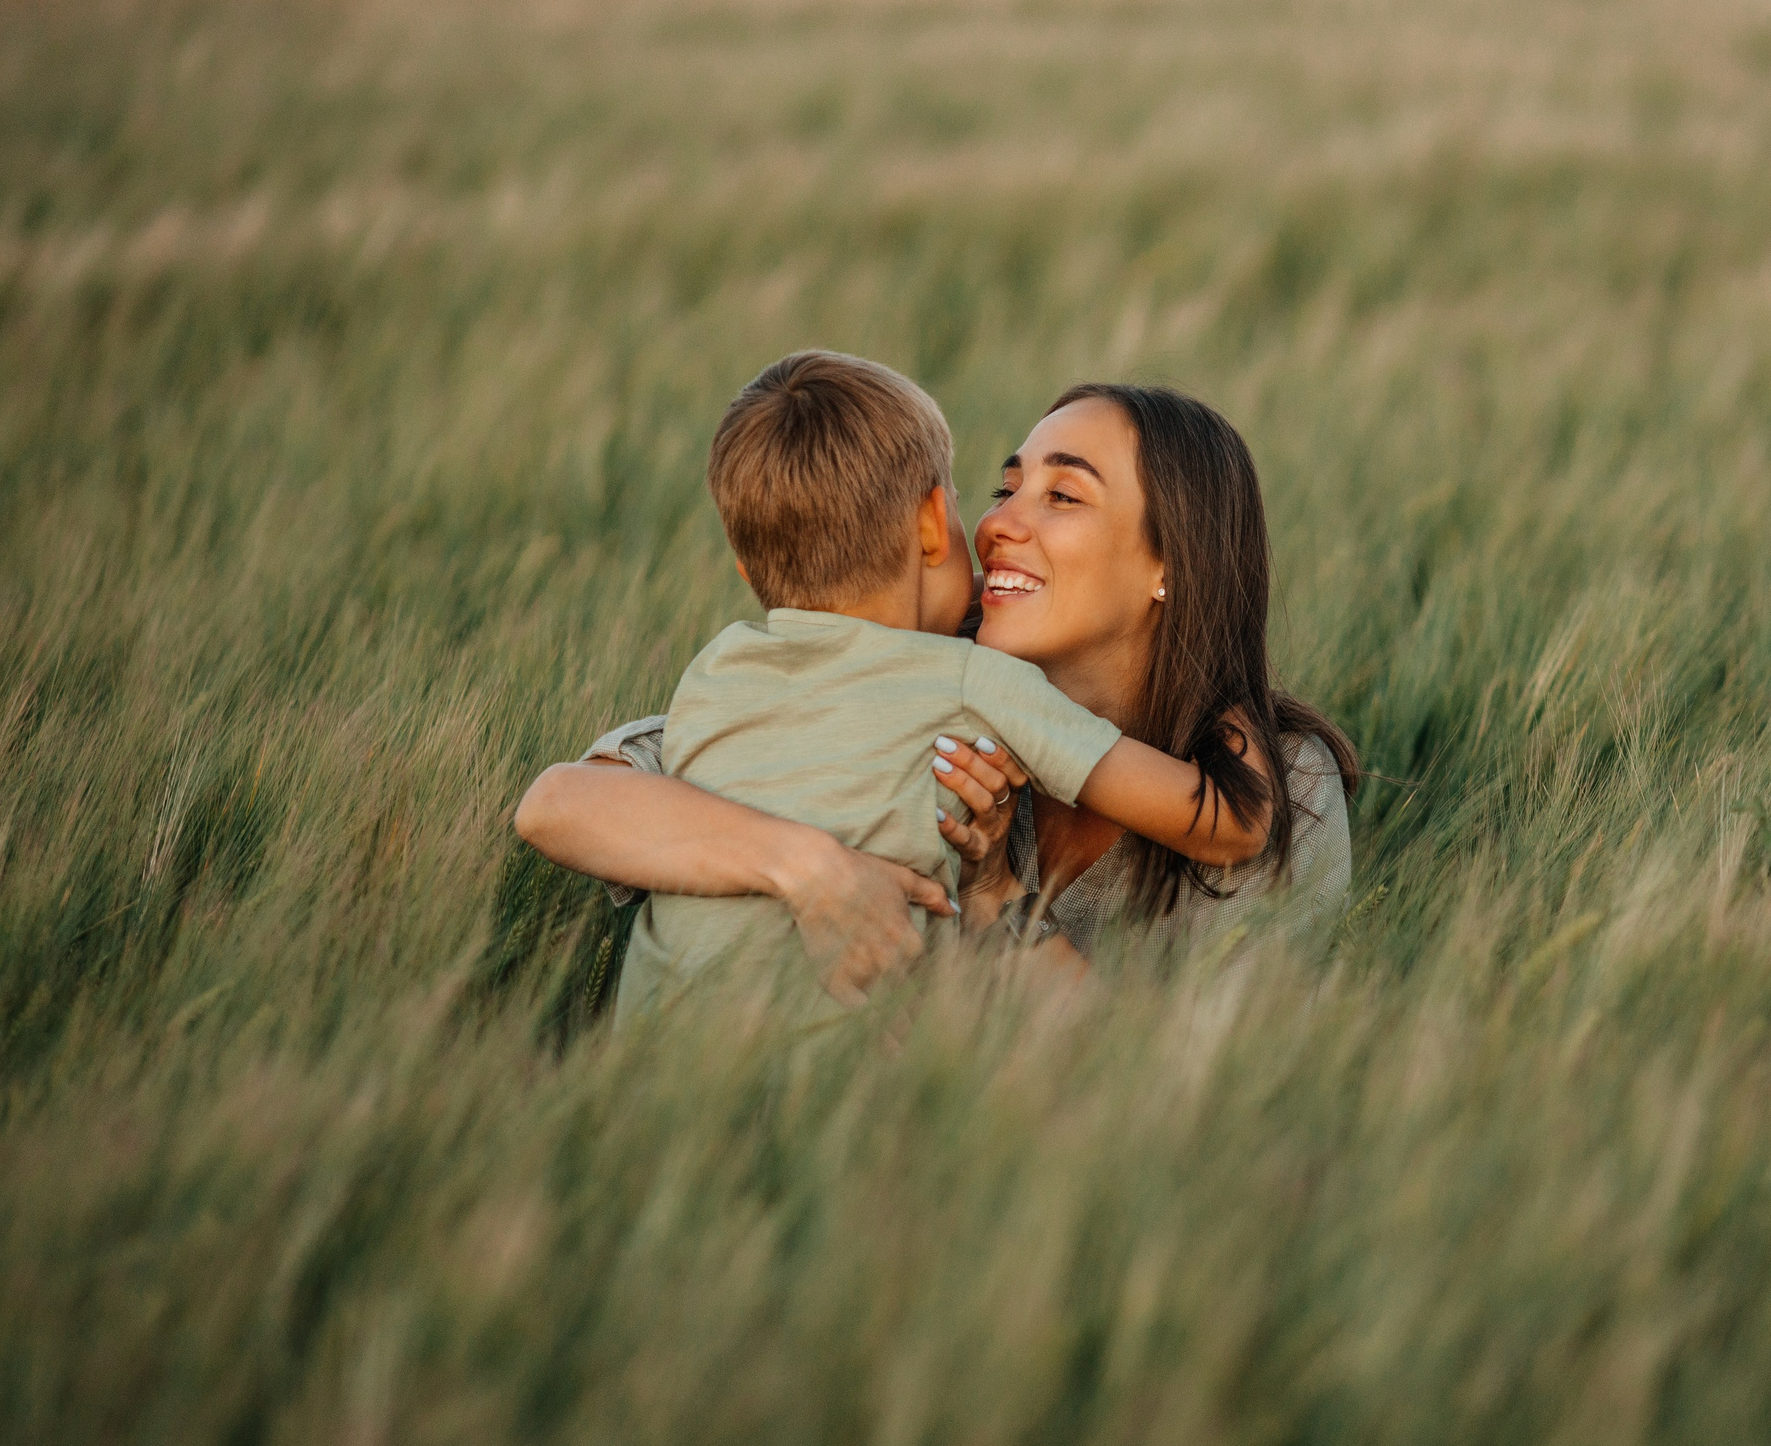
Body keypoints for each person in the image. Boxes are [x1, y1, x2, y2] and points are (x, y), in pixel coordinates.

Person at [514, 380, 1356, 992]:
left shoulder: (1287, 778)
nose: (996, 524)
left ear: (1171, 564)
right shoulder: (913, 694)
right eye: (1002, 487)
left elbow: (1182, 1098)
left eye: (1062, 493)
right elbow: (563, 802)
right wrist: (808, 865)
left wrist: (995, 896)